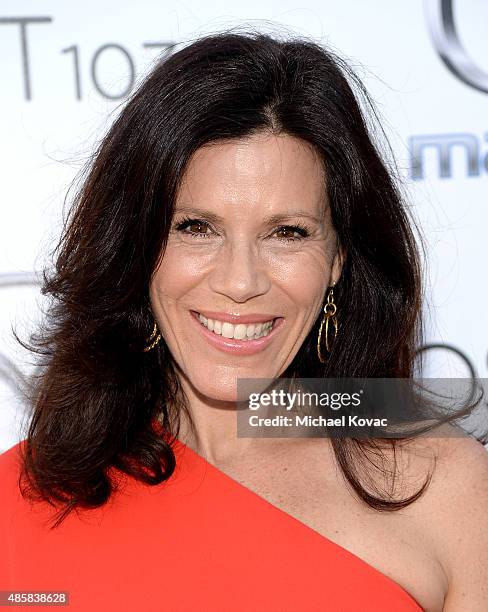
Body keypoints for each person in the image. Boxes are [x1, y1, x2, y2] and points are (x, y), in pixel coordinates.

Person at [1, 30, 487, 612]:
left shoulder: (446, 492)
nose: (239, 281)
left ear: (338, 260)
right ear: (137, 248)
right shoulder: (19, 500)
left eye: (288, 233)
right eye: (195, 227)